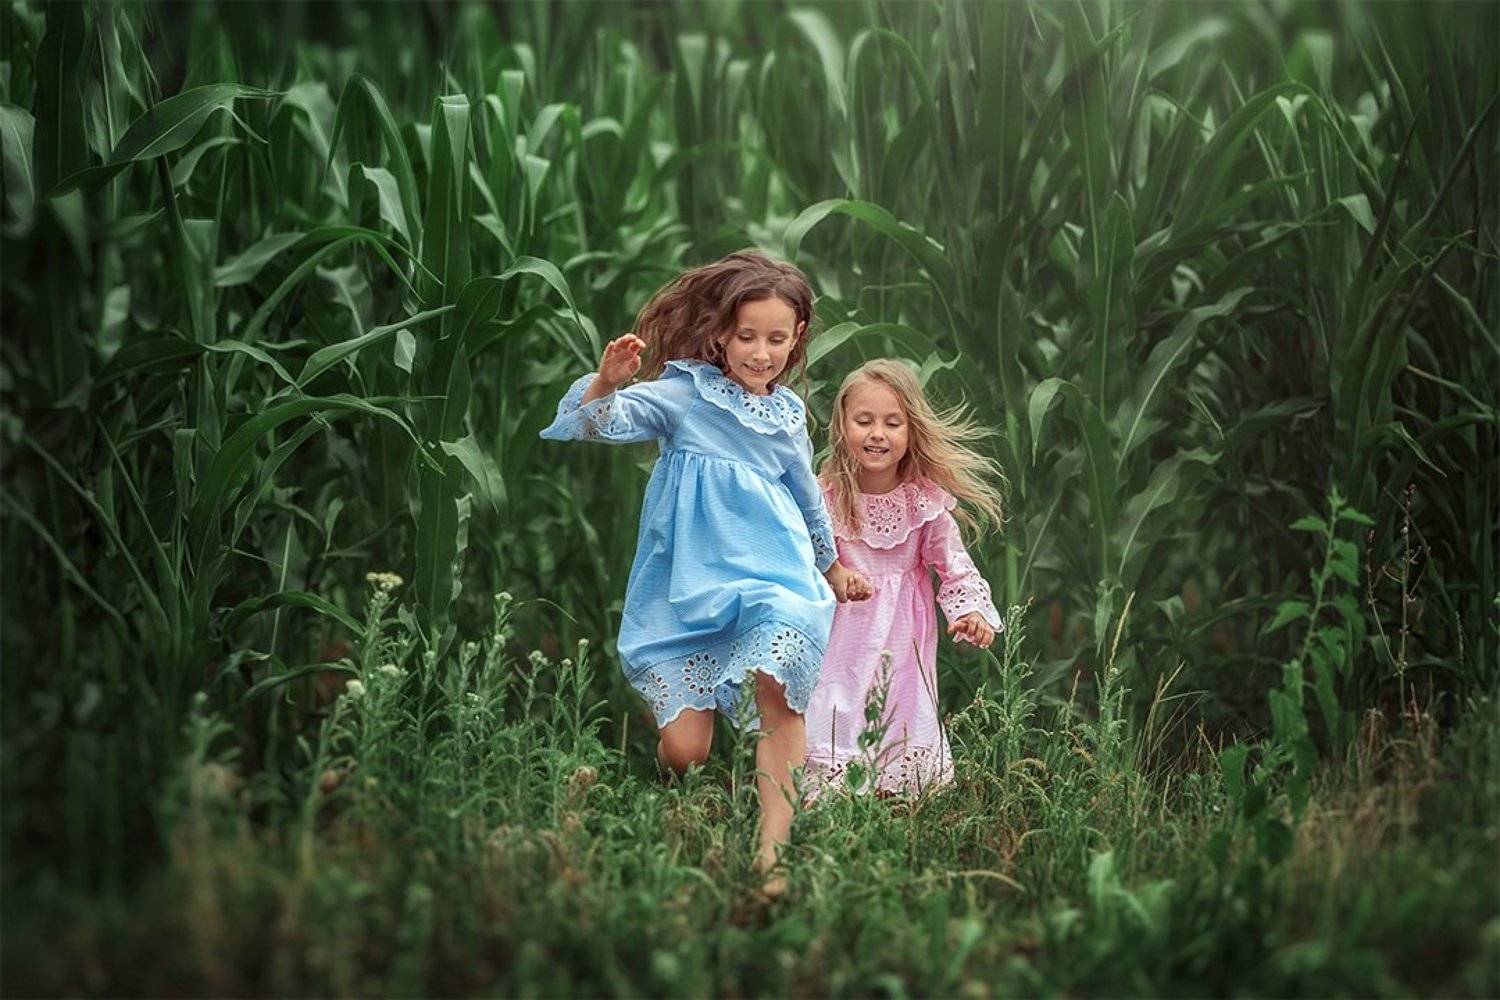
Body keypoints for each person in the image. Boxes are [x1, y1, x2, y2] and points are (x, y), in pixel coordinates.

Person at [539, 250, 872, 891]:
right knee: (686, 751)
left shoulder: (787, 416)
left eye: (776, 338)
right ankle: (672, 793)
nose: (761, 353)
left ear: (797, 336)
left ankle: (772, 857)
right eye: (747, 336)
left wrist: (830, 567)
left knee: (779, 694)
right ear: (720, 332)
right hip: (688, 588)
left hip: (775, 578)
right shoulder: (684, 395)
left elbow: (806, 497)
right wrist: (607, 382)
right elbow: (595, 423)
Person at [805, 359, 1004, 798]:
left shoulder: (924, 502)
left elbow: (953, 564)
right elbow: (804, 558)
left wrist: (970, 611)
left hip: (903, 637)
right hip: (840, 634)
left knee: (900, 707)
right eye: (864, 421)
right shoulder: (823, 498)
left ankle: (894, 797)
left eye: (892, 423)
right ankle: (831, 798)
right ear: (841, 426)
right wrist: (831, 577)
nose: (877, 433)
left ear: (912, 430)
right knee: (835, 705)